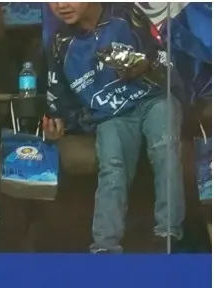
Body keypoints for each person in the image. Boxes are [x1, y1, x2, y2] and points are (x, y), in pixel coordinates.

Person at [45, 2, 185, 253]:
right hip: (110, 114)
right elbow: (58, 99)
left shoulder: (125, 14)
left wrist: (146, 65)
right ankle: (105, 247)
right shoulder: (59, 43)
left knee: (164, 145)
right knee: (112, 166)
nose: (61, 5)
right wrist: (56, 125)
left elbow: (164, 55)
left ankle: (168, 233)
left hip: (153, 98)